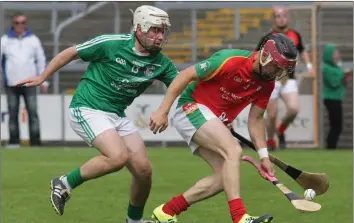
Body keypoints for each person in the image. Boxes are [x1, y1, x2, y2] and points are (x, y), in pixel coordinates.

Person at [16, 5, 178, 222]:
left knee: (143, 171)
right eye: (155, 30)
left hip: (116, 115)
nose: (160, 37)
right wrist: (42, 77)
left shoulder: (161, 62)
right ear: (139, 29)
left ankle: (134, 220)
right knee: (117, 157)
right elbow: (72, 52)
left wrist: (164, 110)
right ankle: (64, 182)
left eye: (163, 31)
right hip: (87, 107)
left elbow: (182, 84)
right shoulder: (112, 43)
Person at [149, 33, 298, 223]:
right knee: (233, 150)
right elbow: (186, 75)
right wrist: (163, 110)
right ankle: (239, 217)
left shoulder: (267, 84)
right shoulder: (230, 60)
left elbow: (256, 119)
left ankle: (167, 211)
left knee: (223, 178)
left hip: (212, 120)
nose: (277, 73)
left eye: (282, 70)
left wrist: (263, 156)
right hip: (190, 106)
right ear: (265, 55)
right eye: (276, 67)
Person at [257, 6, 313, 150]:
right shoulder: (268, 38)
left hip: (288, 78)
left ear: (288, 18)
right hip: (272, 80)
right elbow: (256, 56)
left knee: (294, 109)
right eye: (278, 16)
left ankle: (280, 130)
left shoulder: (295, 35)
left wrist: (310, 66)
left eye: (284, 15)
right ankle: (270, 142)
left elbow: (303, 51)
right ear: (274, 19)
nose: (281, 18)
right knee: (272, 114)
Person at [0, 12, 47, 148]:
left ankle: (35, 143)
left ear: (26, 24)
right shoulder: (5, 40)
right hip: (12, 83)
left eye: (23, 23)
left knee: (33, 113)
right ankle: (14, 142)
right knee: (13, 113)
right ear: (13, 24)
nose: (20, 26)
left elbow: (41, 60)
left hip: (30, 83)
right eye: (17, 23)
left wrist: (44, 79)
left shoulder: (33, 40)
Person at [322, 44, 352, 149]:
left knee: (337, 125)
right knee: (336, 125)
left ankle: (331, 146)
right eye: (335, 53)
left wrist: (345, 77)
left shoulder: (337, 67)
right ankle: (330, 147)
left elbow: (341, 82)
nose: (337, 55)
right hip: (331, 98)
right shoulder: (326, 67)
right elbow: (334, 82)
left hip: (337, 98)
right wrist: (343, 74)